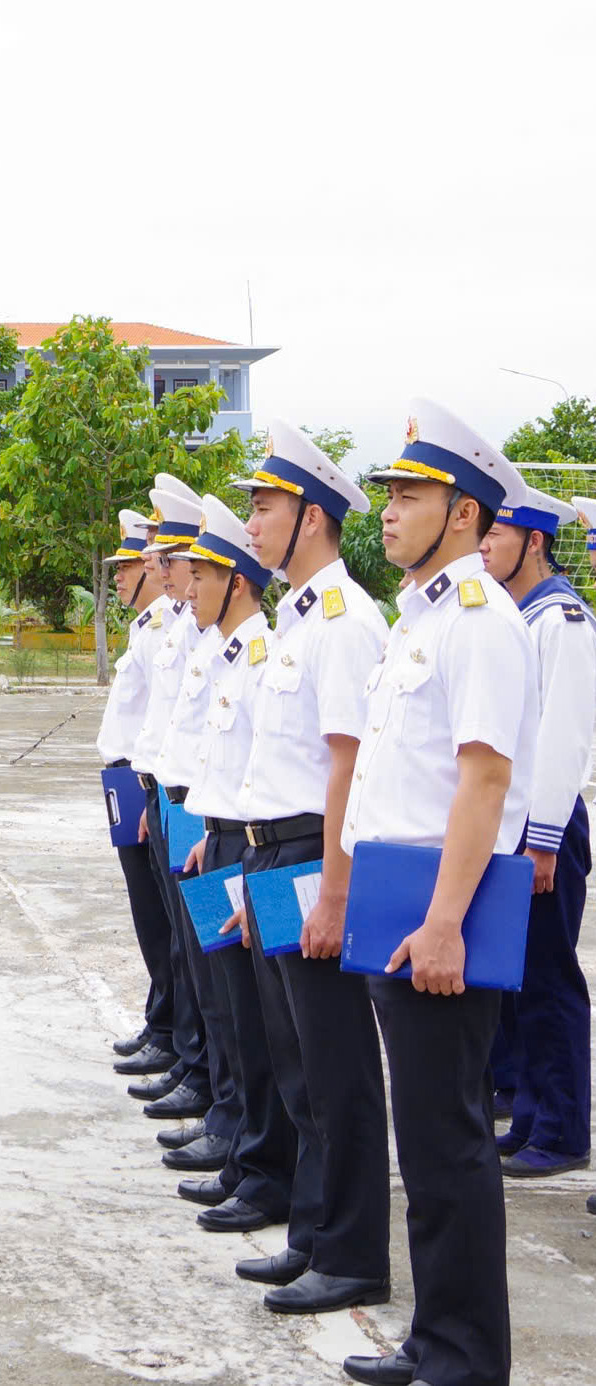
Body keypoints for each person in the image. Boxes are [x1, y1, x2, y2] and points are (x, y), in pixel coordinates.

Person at [342, 398, 536, 1386]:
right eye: (388, 493)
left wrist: (447, 924)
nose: (389, 510)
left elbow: (485, 778)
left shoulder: (480, 622)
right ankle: (434, 1337)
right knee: (422, 1144)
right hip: (396, 905)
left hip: (436, 914)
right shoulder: (423, 620)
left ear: (464, 512)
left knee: (451, 1144)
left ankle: (466, 1357)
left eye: (411, 494)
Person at [227, 422, 390, 1318]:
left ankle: (355, 1253)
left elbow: (346, 765)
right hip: (274, 853)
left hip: (311, 855)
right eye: (252, 505)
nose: (251, 523)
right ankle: (315, 1234)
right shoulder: (295, 619)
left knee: (337, 1069)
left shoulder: (342, 622)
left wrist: (332, 888)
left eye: (266, 507)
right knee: (297, 1064)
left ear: (313, 519)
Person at [174, 496, 295, 1245]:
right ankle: (242, 1150)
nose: (186, 589)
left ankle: (262, 1169)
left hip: (260, 848)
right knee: (225, 1008)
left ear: (238, 583)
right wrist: (208, 830)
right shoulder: (229, 652)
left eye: (200, 575)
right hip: (218, 840)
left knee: (261, 1027)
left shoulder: (258, 653)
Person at [481, 489, 591, 1178]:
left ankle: (560, 1128)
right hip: (509, 820)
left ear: (535, 541)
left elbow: (563, 737)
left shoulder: (563, 618)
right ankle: (526, 1117)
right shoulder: (513, 616)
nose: (486, 544)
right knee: (514, 984)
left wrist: (542, 837)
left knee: (547, 983)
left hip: (542, 823)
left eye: (499, 532)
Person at [127, 477, 220, 1131]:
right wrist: (153, 790)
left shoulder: (221, 639)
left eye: (170, 558)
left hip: (214, 814)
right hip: (175, 800)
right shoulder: (182, 627)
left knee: (216, 964)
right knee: (188, 949)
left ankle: (213, 1081)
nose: (160, 569)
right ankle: (198, 1069)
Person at [99, 508, 180, 1077]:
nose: (123, 576)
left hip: (150, 782)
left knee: (164, 920)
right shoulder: (147, 628)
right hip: (130, 781)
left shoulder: (168, 629)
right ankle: (164, 1019)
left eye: (131, 566)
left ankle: (175, 1031)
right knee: (147, 913)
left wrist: (154, 794)